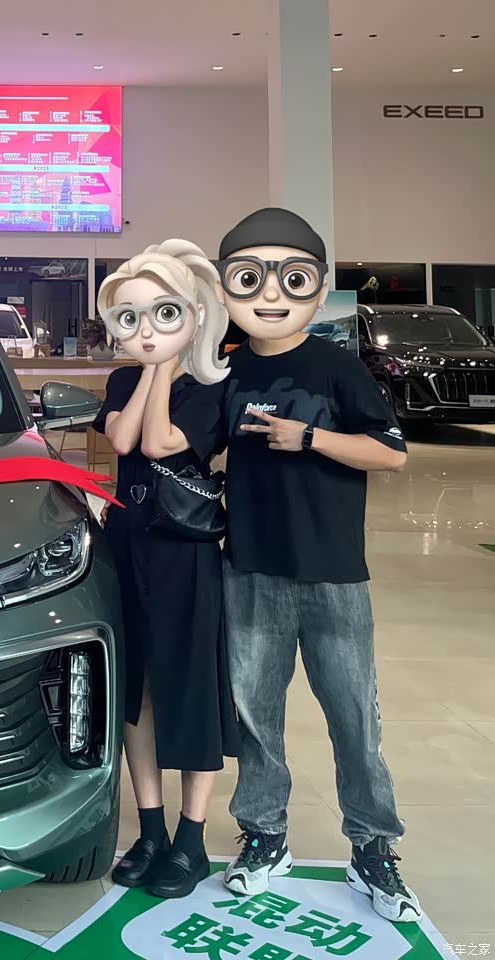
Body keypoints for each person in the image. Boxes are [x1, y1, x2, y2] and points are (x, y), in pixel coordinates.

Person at [212, 207, 421, 923]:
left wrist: (309, 438)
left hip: (333, 572)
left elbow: (391, 453)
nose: (270, 293)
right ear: (227, 286)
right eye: (250, 277)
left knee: (354, 717)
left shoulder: (337, 366)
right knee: (255, 716)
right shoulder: (226, 368)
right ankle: (264, 837)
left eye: (292, 277)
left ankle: (373, 848)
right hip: (250, 566)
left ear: (319, 286)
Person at [92, 239, 238, 899]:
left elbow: (158, 443)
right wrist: (154, 367)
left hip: (186, 554)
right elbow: (122, 440)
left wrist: (171, 363)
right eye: (131, 319)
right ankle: (149, 828)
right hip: (126, 546)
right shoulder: (124, 380)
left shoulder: (214, 387)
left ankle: (190, 839)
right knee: (137, 691)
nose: (145, 331)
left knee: (191, 688)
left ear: (194, 314)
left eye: (164, 314)